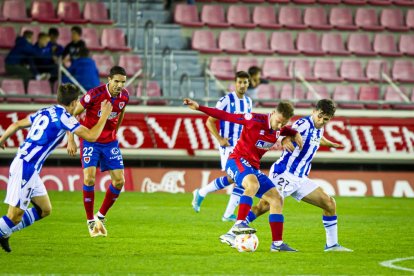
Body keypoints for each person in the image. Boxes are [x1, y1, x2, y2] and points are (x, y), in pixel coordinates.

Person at [0, 84, 113, 253]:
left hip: (28, 165)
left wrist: (2, 139)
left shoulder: (46, 110)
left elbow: (16, 124)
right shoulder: (65, 117)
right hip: (26, 167)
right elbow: (91, 135)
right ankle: (4, 230)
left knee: (45, 209)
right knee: (14, 216)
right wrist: (104, 116)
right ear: (75, 102)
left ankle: (4, 232)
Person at [184, 98, 303, 252]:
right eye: (278, 121)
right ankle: (240, 222)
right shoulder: (254, 119)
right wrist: (199, 107)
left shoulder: (280, 128)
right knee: (253, 185)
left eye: (283, 123)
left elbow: (289, 130)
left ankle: (277, 244)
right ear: (273, 113)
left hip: (253, 167)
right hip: (236, 160)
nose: (279, 126)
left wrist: (294, 133)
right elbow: (225, 115)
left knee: (276, 199)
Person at [243, 99, 353, 252]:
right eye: (320, 116)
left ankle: (332, 245)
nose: (321, 121)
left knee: (329, 204)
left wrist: (330, 143)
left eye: (325, 119)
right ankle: (239, 227)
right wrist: (286, 140)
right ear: (314, 111)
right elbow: (288, 132)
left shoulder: (318, 128)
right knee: (264, 206)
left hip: (300, 179)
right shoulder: (304, 124)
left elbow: (316, 138)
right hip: (284, 173)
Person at [67, 66, 129, 237]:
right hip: (90, 140)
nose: (119, 85)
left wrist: (115, 130)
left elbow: (121, 111)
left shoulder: (125, 96)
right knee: (89, 177)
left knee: (119, 182)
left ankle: (100, 216)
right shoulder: (94, 94)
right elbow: (72, 113)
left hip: (110, 143)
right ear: (109, 80)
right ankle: (90, 221)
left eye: (122, 82)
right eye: (116, 81)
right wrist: (70, 139)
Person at [192, 71, 253, 222]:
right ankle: (203, 194)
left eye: (245, 82)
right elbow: (209, 121)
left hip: (242, 147)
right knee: (237, 177)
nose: (242, 85)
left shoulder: (249, 102)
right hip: (228, 145)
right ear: (235, 83)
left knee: (239, 178)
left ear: (248, 84)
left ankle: (222, 210)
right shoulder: (226, 100)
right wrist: (219, 139)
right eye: (239, 82)